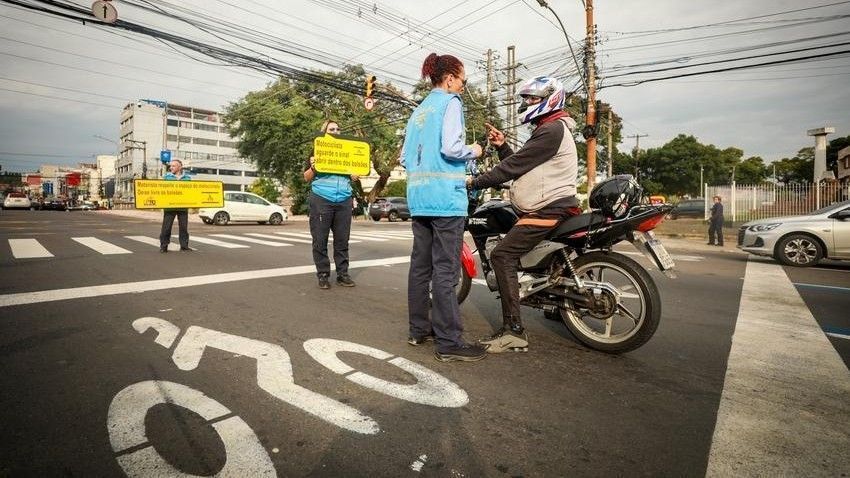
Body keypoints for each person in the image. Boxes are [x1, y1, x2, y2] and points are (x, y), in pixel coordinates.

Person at [467, 76, 580, 354]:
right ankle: (555, 304)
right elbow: (524, 163)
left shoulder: (551, 129)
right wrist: (502, 146)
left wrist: (473, 182)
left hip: (548, 207)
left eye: (532, 98)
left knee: (502, 255)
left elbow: (514, 167)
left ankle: (513, 331)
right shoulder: (551, 129)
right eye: (526, 99)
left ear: (550, 98)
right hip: (552, 205)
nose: (527, 103)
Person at [402, 53, 486, 363]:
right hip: (446, 200)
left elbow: (404, 158)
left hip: (419, 199)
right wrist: (474, 150)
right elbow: (451, 148)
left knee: (420, 267)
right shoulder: (450, 104)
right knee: (446, 270)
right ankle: (449, 341)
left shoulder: (419, 111)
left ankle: (418, 329)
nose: (463, 87)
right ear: (449, 78)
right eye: (462, 80)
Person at [304, 120, 358, 289]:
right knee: (320, 240)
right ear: (325, 132)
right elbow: (306, 177)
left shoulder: (348, 151)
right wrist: (313, 168)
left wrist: (355, 173)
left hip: (344, 199)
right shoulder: (317, 150)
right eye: (331, 129)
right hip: (321, 198)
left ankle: (343, 274)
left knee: (342, 240)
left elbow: (356, 176)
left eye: (338, 128)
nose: (336, 130)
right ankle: (323, 275)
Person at [159, 159, 192, 253]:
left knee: (183, 228)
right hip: (169, 207)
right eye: (171, 166)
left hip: (183, 207)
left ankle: (184, 246)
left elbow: (192, 192)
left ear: (179, 167)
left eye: (173, 166)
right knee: (166, 227)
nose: (171, 167)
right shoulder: (166, 177)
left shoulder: (187, 178)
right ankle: (164, 246)